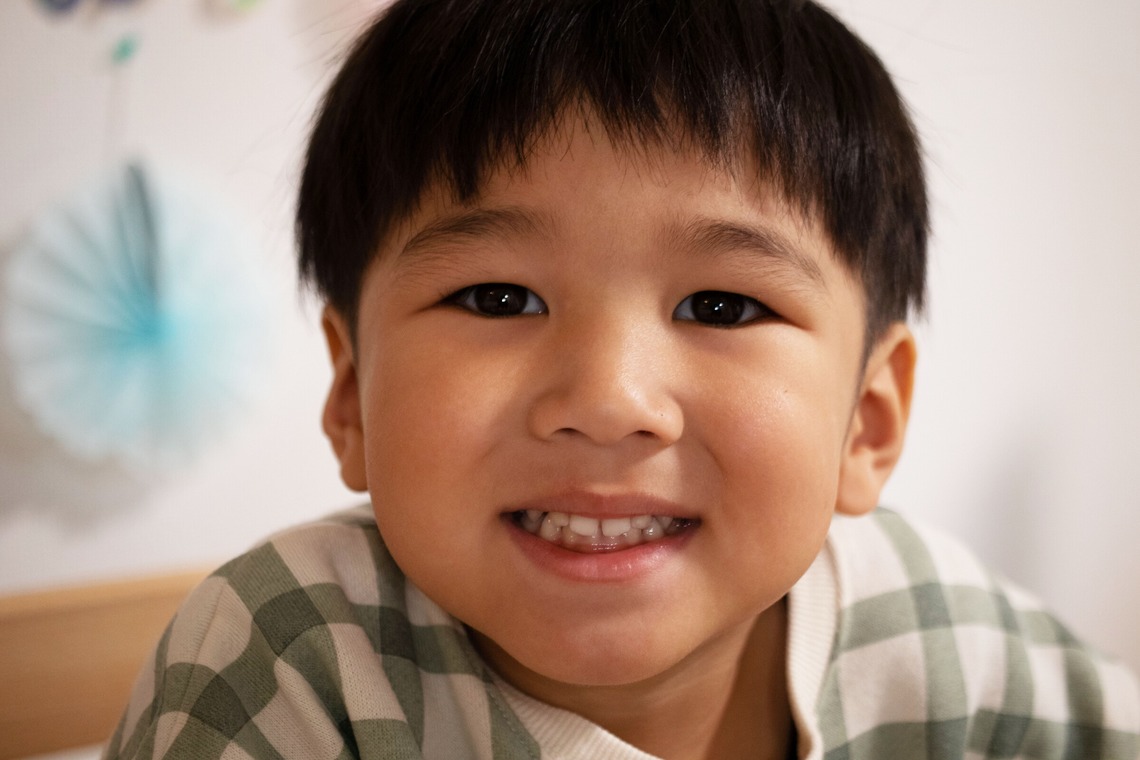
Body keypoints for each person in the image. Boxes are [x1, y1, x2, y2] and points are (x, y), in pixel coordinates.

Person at [104, 1, 1140, 758]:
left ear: (866, 423)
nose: (606, 400)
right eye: (499, 299)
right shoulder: (291, 663)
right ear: (350, 394)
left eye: (722, 306)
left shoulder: (941, 631)